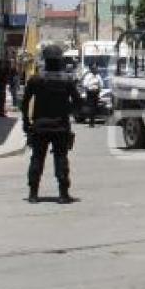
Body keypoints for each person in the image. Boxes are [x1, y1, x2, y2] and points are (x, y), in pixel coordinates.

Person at [21, 44, 82, 204]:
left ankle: (33, 194)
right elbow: (78, 102)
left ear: (45, 60)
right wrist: (68, 111)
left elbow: (25, 101)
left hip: (39, 127)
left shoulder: (36, 79)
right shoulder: (67, 81)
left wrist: (26, 122)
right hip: (60, 127)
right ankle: (63, 194)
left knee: (37, 159)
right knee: (61, 159)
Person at [82, 63, 104, 128]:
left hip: (96, 93)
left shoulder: (98, 76)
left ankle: (93, 121)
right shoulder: (88, 76)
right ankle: (91, 122)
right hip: (90, 93)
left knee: (95, 107)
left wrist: (98, 90)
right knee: (91, 108)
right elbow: (85, 84)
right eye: (94, 68)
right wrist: (90, 87)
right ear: (91, 69)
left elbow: (101, 84)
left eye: (96, 68)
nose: (95, 69)